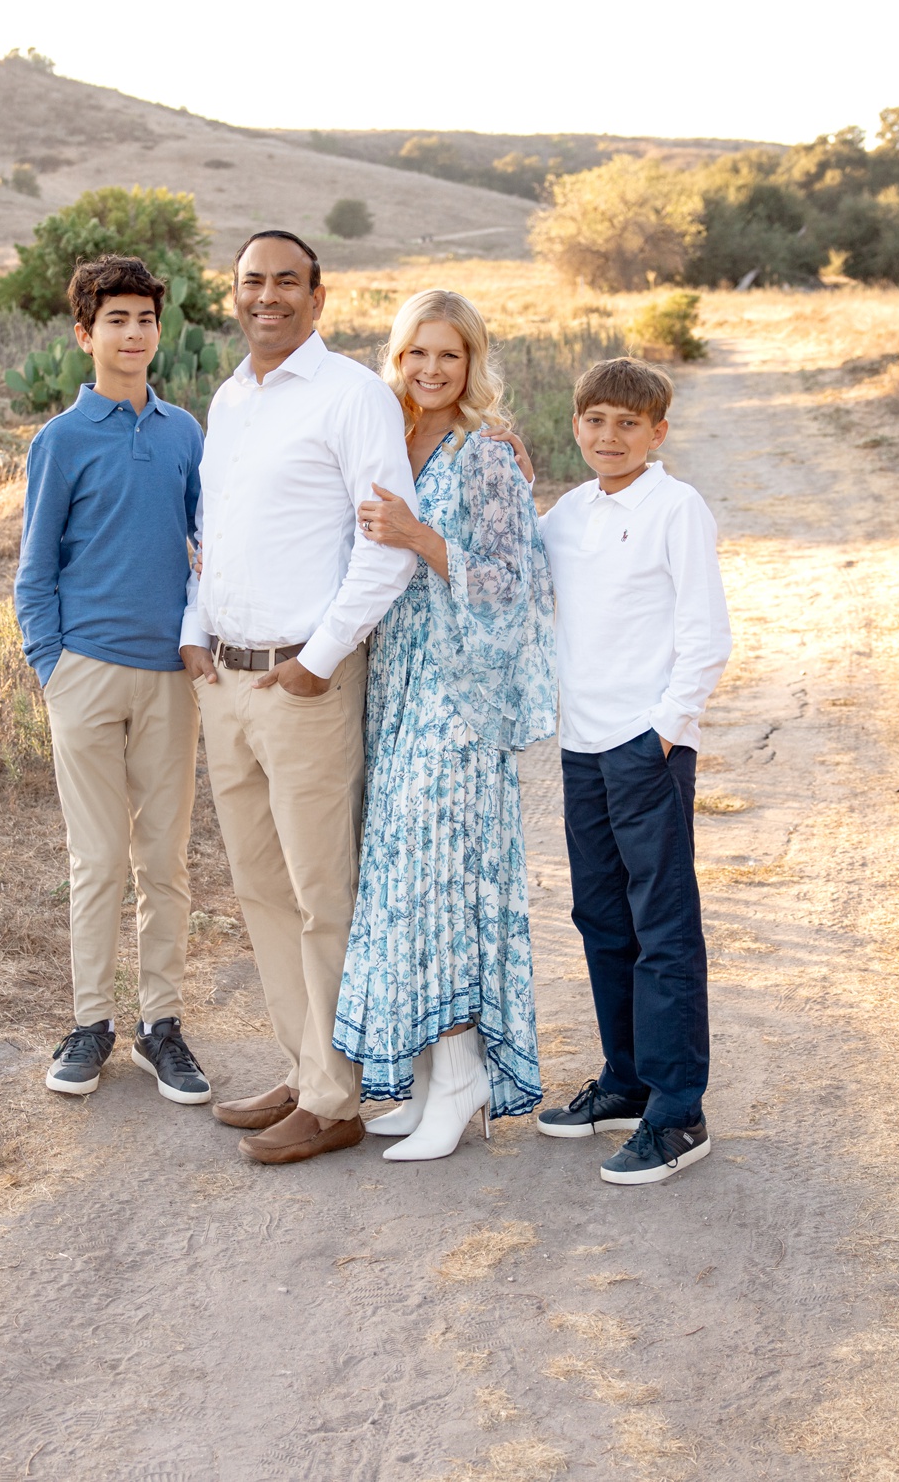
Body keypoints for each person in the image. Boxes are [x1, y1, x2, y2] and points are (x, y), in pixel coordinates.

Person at [181, 230, 418, 1165]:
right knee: (261, 886)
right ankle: (304, 1065)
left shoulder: (353, 395)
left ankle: (339, 1094)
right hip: (226, 680)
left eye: (287, 282)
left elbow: (388, 542)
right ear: (233, 296)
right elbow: (217, 529)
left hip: (301, 680)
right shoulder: (230, 398)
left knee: (323, 891)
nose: (267, 296)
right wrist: (196, 630)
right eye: (252, 282)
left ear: (319, 298)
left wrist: (321, 657)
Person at [333, 289, 556, 1162]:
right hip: (396, 682)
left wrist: (422, 537)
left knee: (439, 875)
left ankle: (463, 1069)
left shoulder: (487, 453)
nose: (431, 369)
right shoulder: (389, 434)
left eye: (449, 356)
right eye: (417, 353)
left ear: (473, 364)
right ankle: (429, 1073)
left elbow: (513, 584)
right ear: (397, 356)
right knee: (400, 878)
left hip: (458, 698)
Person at [16, 254, 213, 1106]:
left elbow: (216, 540)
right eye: (116, 320)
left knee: (164, 860)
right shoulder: (60, 441)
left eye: (145, 319)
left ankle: (160, 1025)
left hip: (170, 676)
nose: (133, 334)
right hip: (86, 677)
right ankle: (90, 1022)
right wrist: (53, 669)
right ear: (84, 334)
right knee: (97, 859)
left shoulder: (185, 433)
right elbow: (34, 569)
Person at [534, 358, 732, 1185]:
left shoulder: (675, 508)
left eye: (627, 423)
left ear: (657, 432)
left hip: (643, 744)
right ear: (576, 425)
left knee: (662, 925)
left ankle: (678, 1109)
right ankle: (625, 1079)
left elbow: (706, 630)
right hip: (580, 742)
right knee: (601, 916)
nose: (607, 437)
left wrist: (663, 729)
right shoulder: (567, 513)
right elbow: (512, 575)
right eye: (594, 420)